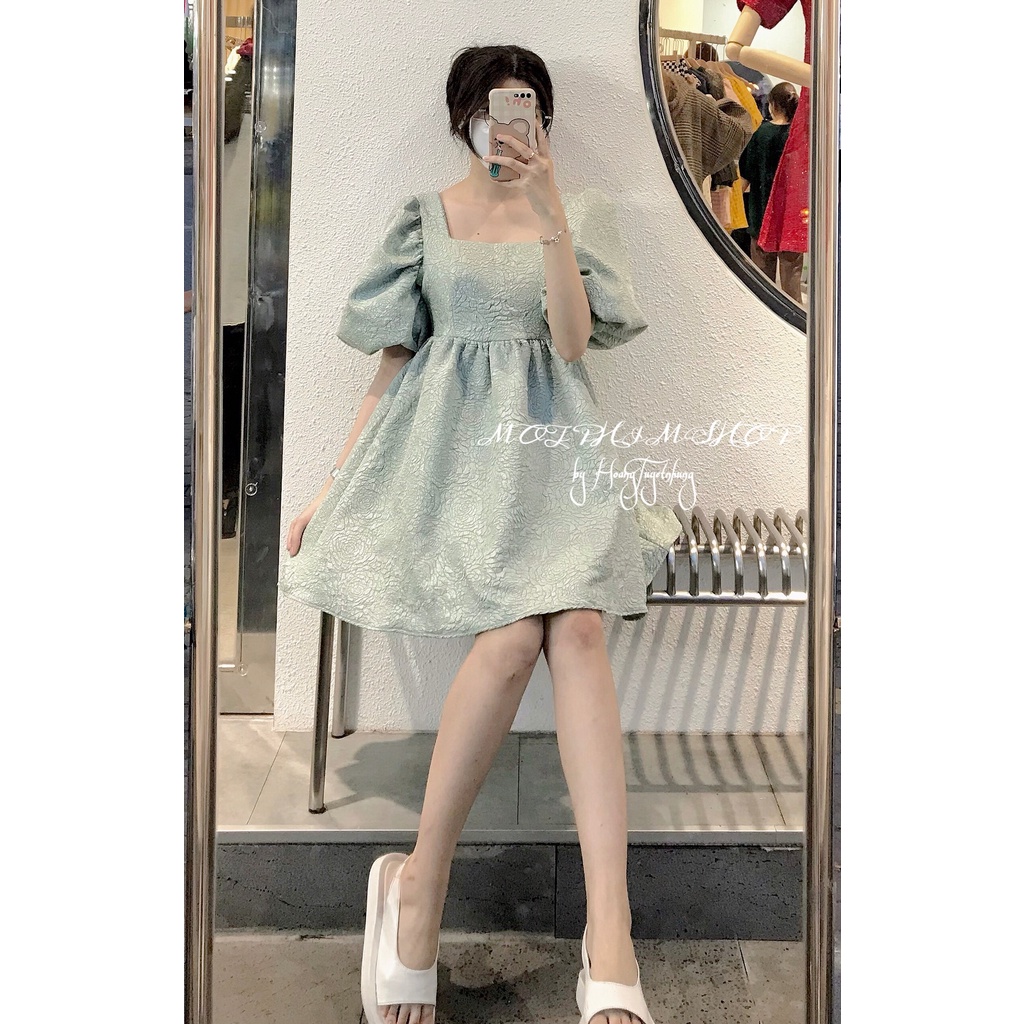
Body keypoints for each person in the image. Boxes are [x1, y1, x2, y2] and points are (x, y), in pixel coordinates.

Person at [279, 44, 677, 1024]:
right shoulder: (425, 217)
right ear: (464, 117)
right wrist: (332, 485)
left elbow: (574, 342)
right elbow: (391, 363)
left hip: (555, 459)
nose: (510, 124)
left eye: (527, 107)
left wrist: (548, 216)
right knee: (510, 640)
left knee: (577, 627)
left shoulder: (577, 213)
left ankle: (611, 929)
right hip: (456, 468)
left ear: (543, 118)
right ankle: (419, 883)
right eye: (495, 108)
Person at [738, 81, 802, 301]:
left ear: (772, 105)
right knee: (792, 279)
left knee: (762, 283)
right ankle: (794, 318)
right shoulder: (799, 137)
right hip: (791, 218)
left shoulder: (761, 134)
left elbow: (745, 176)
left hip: (762, 214)